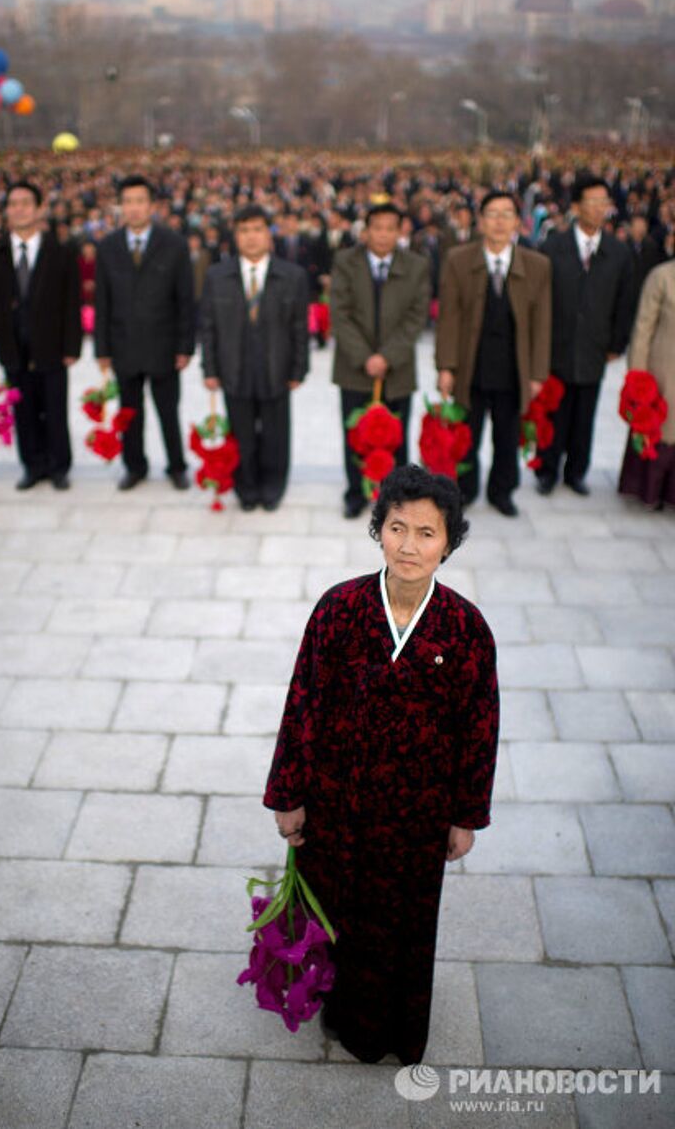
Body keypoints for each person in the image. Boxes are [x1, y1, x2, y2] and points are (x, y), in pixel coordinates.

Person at [264, 464, 499, 1065]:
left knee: (403, 927)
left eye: (427, 533)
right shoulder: (339, 609)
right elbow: (302, 704)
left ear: (449, 542)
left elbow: (479, 731)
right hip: (337, 805)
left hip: (415, 820)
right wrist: (289, 795)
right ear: (378, 531)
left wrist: (464, 816)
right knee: (339, 913)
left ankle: (394, 1028)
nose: (410, 545)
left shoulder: (466, 629)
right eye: (398, 528)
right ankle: (341, 1016)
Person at [436, 190, 552, 517]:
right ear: (480, 221)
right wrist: (446, 366)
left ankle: (502, 492)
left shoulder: (537, 265)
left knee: (507, 434)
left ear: (518, 222)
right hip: (470, 365)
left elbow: (542, 323)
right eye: (492, 214)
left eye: (506, 214)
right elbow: (449, 318)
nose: (499, 221)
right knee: (466, 435)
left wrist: (537, 374)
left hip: (513, 368)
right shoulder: (459, 260)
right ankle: (464, 491)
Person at [200, 204, 309, 511]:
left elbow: (300, 327)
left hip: (276, 368)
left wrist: (299, 369)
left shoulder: (292, 276)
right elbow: (207, 327)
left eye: (257, 230)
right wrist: (209, 369)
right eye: (244, 230)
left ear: (269, 235)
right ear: (235, 236)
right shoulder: (217, 276)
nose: (251, 237)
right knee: (242, 435)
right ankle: (246, 488)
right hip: (234, 369)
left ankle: (273, 487)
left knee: (276, 435)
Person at [0, 181, 81, 491]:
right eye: (13, 203)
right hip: (12, 345)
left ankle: (59, 466)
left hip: (51, 345)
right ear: (6, 211)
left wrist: (72, 346)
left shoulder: (60, 252)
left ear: (38, 209)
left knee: (55, 409)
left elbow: (71, 302)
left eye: (25, 203)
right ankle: (32, 465)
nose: (19, 209)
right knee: (23, 409)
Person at [94, 175, 195, 491]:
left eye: (140, 201)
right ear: (120, 206)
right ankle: (134, 466)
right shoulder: (108, 246)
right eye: (128, 202)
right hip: (124, 345)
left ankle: (176, 466)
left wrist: (185, 346)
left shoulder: (174, 244)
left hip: (163, 346)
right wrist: (102, 349)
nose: (134, 208)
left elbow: (185, 300)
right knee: (129, 413)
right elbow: (102, 301)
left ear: (152, 206)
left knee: (168, 411)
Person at [536, 174, 634, 496]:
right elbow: (540, 298)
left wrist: (616, 344)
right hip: (557, 344)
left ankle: (575, 472)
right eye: (591, 202)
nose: (598, 208)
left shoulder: (618, 253)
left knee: (585, 413)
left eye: (603, 202)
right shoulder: (553, 247)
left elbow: (625, 300)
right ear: (576, 206)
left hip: (594, 345)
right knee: (554, 411)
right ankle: (547, 470)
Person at [330, 202, 429, 518]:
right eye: (377, 227)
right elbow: (340, 314)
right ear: (366, 231)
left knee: (395, 436)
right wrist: (365, 357)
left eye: (390, 228)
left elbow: (416, 317)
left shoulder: (416, 265)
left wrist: (387, 356)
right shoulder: (346, 262)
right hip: (354, 367)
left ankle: (395, 498)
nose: (383, 234)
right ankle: (355, 493)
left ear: (400, 231)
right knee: (356, 433)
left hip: (396, 369)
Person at [618, 260, 675, 509]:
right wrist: (637, 375)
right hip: (664, 372)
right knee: (660, 430)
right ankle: (650, 492)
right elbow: (643, 327)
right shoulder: (662, 276)